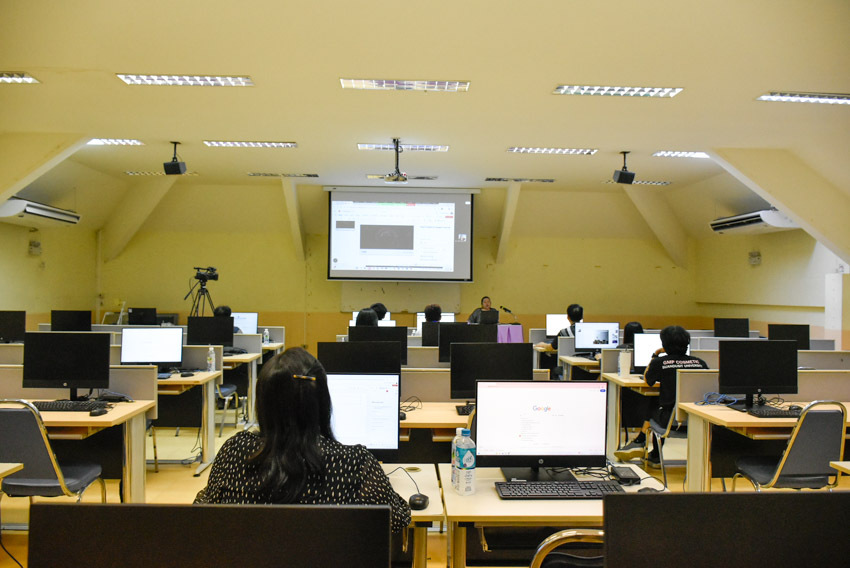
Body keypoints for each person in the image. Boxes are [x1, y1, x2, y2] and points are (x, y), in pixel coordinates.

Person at [194, 347, 411, 533]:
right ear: (323, 402)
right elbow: (396, 519)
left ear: (263, 402)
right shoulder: (354, 463)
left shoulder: (234, 451)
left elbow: (202, 514)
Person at [614, 325, 707, 468]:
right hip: (698, 421)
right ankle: (651, 452)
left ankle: (642, 442)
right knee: (659, 402)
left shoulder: (660, 363)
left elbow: (648, 380)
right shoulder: (700, 363)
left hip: (670, 421)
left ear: (664, 344)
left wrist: (655, 355)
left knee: (654, 404)